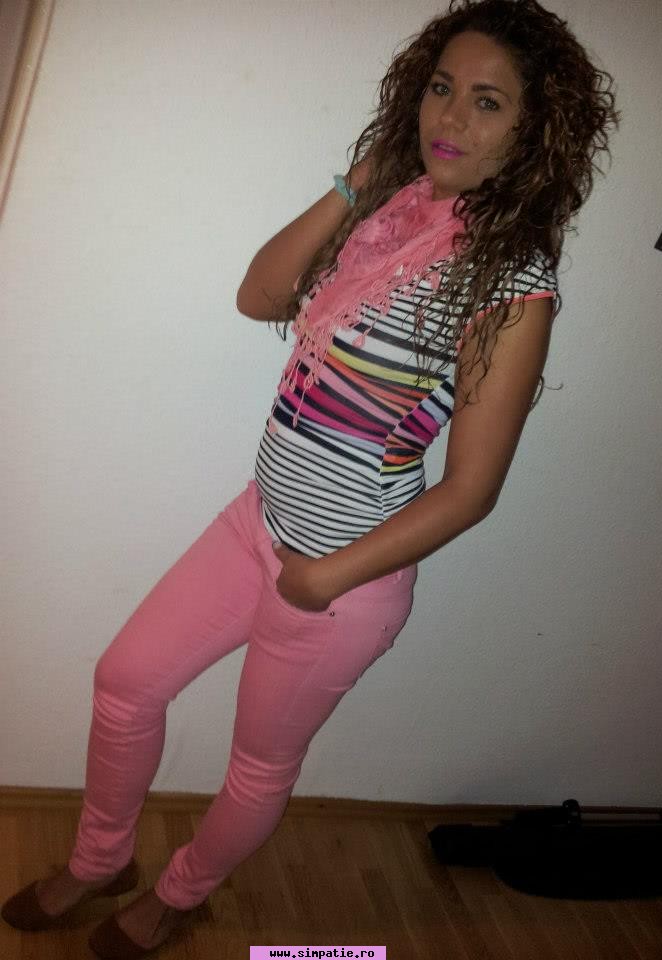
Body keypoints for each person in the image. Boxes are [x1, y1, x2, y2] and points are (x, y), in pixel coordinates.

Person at [2, 0, 620, 956]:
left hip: (340, 580)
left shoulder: (511, 284)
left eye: (488, 101)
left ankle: (180, 893)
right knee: (125, 683)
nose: (450, 117)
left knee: (256, 766)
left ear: (534, 133)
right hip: (256, 521)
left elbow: (472, 490)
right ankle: (99, 861)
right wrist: (358, 182)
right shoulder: (391, 215)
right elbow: (258, 295)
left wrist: (322, 578)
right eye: (441, 88)